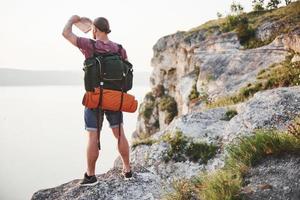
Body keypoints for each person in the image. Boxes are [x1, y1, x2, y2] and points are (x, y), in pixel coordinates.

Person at [62, 15, 132, 186]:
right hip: (115, 98)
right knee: (120, 133)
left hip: (95, 98)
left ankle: (91, 175)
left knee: (93, 136)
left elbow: (65, 33)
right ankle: (127, 169)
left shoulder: (89, 45)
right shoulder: (119, 48)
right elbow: (126, 70)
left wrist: (72, 20)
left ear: (95, 29)